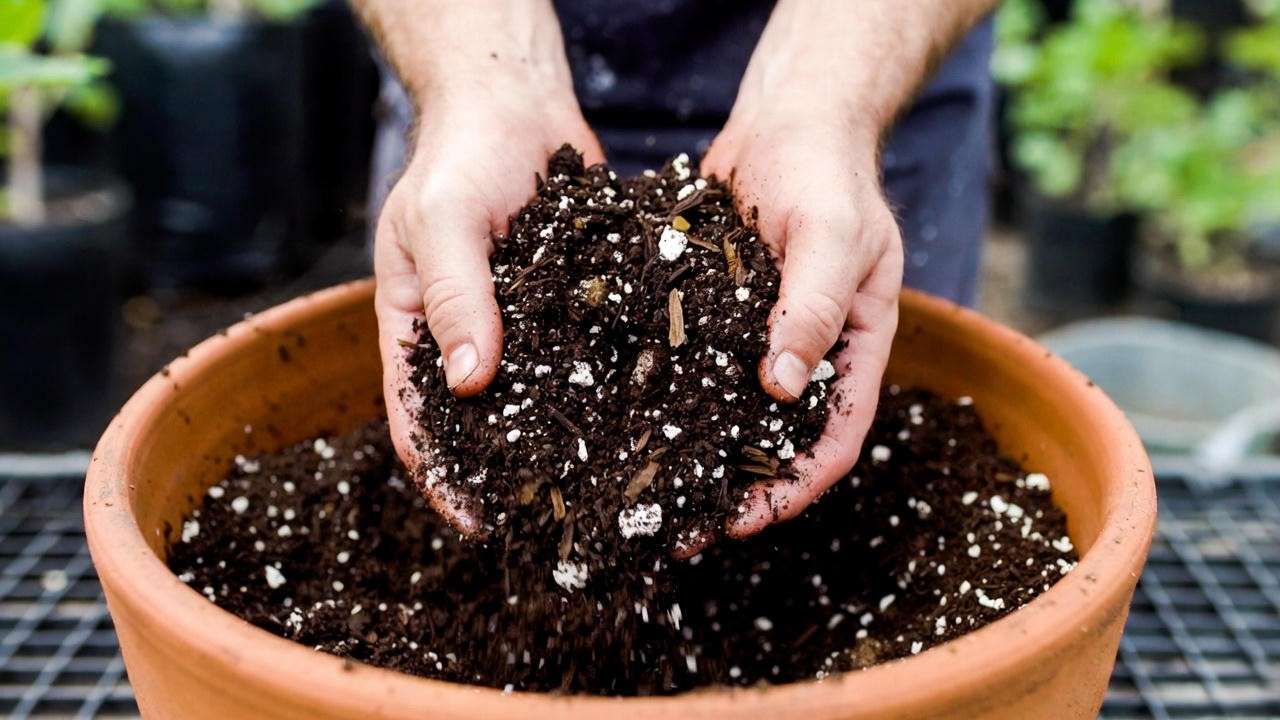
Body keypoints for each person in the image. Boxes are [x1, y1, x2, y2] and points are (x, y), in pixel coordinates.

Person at [354, 0, 998, 547]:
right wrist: (479, 81)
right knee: (449, 293)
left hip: (855, 73)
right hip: (469, 59)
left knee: (869, 415)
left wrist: (825, 96)